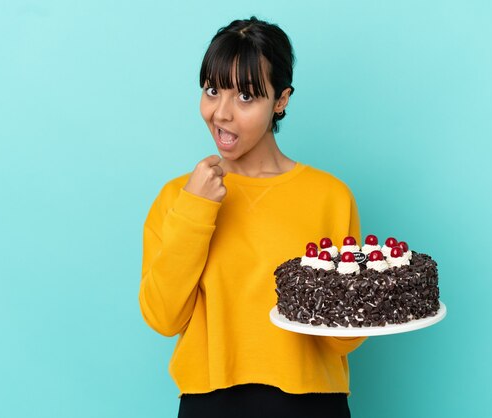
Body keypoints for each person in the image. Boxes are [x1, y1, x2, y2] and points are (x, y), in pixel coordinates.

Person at [139, 16, 366, 418]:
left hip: (314, 406)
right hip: (210, 404)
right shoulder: (179, 197)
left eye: (246, 97)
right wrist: (196, 209)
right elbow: (163, 317)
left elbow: (343, 341)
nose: (221, 113)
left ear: (281, 100)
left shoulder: (330, 196)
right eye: (212, 91)